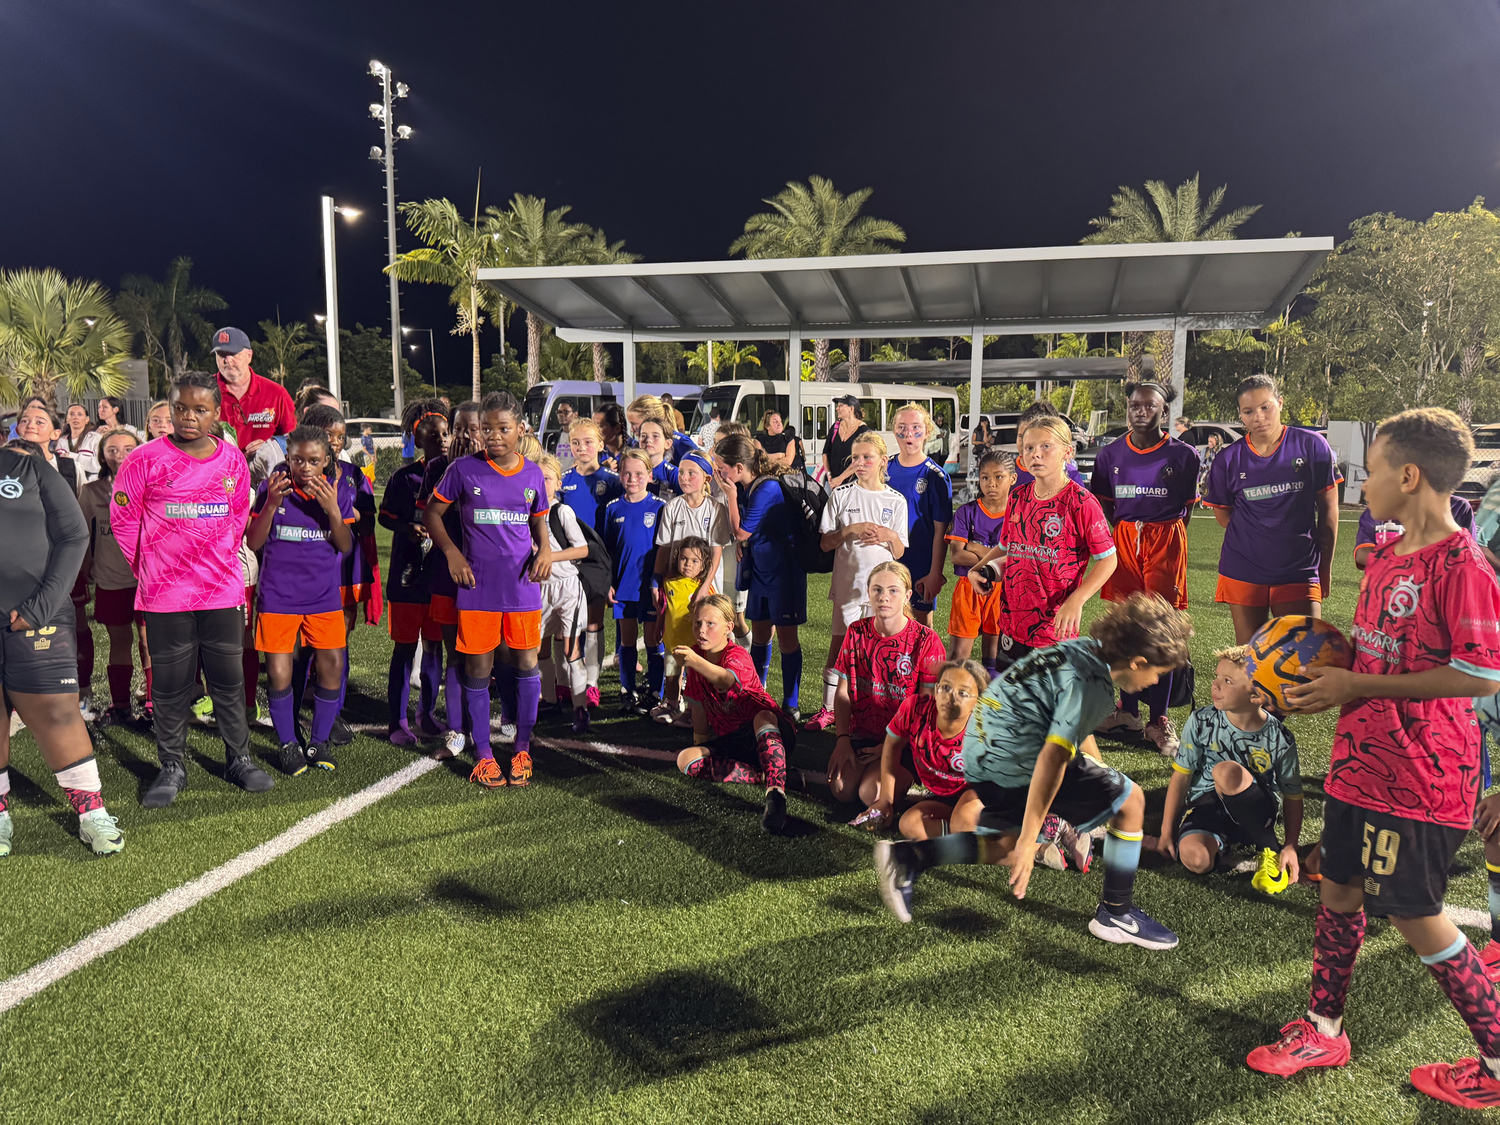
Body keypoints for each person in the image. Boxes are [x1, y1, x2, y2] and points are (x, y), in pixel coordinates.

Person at [1245, 408, 1500, 1112]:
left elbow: (1481, 675)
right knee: (1339, 889)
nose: (1364, 482)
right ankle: (1324, 1028)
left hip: (1420, 777)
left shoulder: (1464, 565)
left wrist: (1358, 685)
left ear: (1409, 475)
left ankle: (1498, 1052)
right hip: (1360, 761)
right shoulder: (1387, 555)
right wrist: (1300, 669)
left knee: (1415, 912)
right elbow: (1376, 652)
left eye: (1373, 469)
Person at [875, 593, 1192, 950]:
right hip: (1016, 761)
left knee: (1004, 847)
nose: (1154, 683)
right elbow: (1052, 760)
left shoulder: (1084, 647)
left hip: (980, 751)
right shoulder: (1095, 687)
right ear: (1136, 662)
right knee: (1131, 800)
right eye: (1158, 674)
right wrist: (1030, 838)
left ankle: (910, 857)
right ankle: (1116, 914)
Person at [111, 372, 275, 807]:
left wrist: (214, 558)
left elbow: (239, 518)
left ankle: (238, 758)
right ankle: (171, 765)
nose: (188, 417)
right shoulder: (143, 460)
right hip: (165, 596)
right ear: (169, 408)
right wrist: (151, 568)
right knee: (171, 686)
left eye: (200, 409)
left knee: (228, 679)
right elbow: (124, 522)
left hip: (221, 591)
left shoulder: (233, 461)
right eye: (180, 408)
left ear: (216, 413)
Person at [0, 439, 123, 856]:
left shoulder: (31, 470)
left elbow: (73, 536)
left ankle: (92, 815)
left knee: (57, 711)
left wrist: (40, 607)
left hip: (37, 616)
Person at [424, 394, 552, 788]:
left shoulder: (532, 475)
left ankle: (523, 747)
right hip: (476, 587)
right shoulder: (463, 469)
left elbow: (539, 522)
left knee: (527, 664)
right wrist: (452, 554)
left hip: (521, 587)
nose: (493, 436)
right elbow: (431, 512)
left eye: (503, 428)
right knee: (478, 668)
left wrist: (545, 549)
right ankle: (483, 755)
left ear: (520, 430)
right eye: (486, 429)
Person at [1089, 380, 1200, 755]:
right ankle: (1128, 710)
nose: (1141, 411)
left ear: (1163, 411)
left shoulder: (1184, 456)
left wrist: (1166, 541)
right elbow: (1104, 506)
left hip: (1165, 540)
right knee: (1125, 625)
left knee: (1161, 629)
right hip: (1123, 540)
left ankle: (1160, 719)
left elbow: (1187, 508)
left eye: (1149, 406)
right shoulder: (1109, 455)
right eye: (1135, 405)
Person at [246, 426, 355, 775]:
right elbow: (253, 540)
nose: (305, 467)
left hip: (322, 598)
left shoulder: (336, 492)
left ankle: (319, 740)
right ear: (287, 459)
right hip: (278, 597)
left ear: (326, 461)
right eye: (297, 460)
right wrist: (273, 503)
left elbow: (345, 545)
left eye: (313, 460)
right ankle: (288, 743)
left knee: (332, 665)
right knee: (279, 672)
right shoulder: (272, 489)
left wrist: (332, 510)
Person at [968, 417, 1118, 669]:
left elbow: (1108, 559)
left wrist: (1077, 600)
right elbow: (1006, 546)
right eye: (1028, 448)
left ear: (1067, 452)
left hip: (1053, 626)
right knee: (1012, 699)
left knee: (1046, 703)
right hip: (1011, 622)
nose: (1035, 454)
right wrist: (977, 568)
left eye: (1045, 446)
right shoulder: (1017, 496)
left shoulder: (1081, 502)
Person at [1203, 374, 1341, 644]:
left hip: (1299, 570)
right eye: (1249, 411)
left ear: (1279, 403)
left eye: (1266, 407)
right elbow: (1224, 517)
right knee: (1248, 656)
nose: (1259, 417)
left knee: (1304, 657)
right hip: (1243, 569)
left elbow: (1329, 511)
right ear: (1240, 416)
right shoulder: (1228, 459)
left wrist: (1324, 568)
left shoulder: (1311, 445)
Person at [1156, 645, 1302, 893]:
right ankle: (1222, 840)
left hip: (1255, 810)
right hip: (1208, 804)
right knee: (1196, 860)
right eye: (1216, 677)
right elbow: (1181, 776)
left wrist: (1291, 845)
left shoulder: (1279, 737)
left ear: (1256, 695)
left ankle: (1269, 846)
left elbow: (1293, 795)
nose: (1215, 685)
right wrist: (1165, 831)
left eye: (1227, 681)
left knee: (1226, 772)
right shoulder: (1201, 720)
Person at [807, 432, 908, 731]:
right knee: (840, 645)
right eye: (856, 458)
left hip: (883, 592)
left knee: (880, 648)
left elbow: (900, 551)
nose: (861, 463)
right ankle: (828, 709)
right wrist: (849, 531)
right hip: (849, 585)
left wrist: (888, 536)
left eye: (867, 457)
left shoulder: (896, 500)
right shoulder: (842, 495)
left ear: (882, 461)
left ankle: (873, 707)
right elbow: (825, 543)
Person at [675, 593, 797, 833]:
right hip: (733, 741)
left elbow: (727, 679)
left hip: (768, 730)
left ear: (728, 628)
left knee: (762, 717)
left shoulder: (736, 654)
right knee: (685, 760)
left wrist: (694, 662)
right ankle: (770, 775)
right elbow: (699, 708)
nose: (701, 630)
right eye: (698, 623)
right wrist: (702, 744)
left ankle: (776, 795)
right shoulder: (695, 656)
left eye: (710, 624)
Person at [825, 561, 945, 803]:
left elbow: (927, 711)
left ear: (907, 596)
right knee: (841, 788)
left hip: (906, 743)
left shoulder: (926, 640)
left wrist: (891, 748)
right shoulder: (856, 632)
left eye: (893, 590)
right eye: (877, 589)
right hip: (864, 736)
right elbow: (843, 693)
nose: (884, 597)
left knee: (871, 793)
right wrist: (842, 739)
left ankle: (902, 775)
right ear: (868, 593)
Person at [715, 433, 806, 718]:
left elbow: (741, 531)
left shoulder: (766, 489)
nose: (719, 473)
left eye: (722, 468)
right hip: (761, 571)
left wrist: (730, 496)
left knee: (787, 639)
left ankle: (791, 704)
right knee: (761, 635)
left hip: (784, 574)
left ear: (739, 468)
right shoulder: (750, 486)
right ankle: (756, 694)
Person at [855, 659, 988, 842]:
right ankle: (961, 834)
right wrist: (885, 799)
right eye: (946, 688)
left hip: (976, 794)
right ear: (935, 690)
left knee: (964, 821)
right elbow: (892, 745)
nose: (951, 698)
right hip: (941, 796)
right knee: (908, 824)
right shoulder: (916, 708)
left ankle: (1018, 839)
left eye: (963, 693)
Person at [380, 401, 449, 746]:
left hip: (438, 578)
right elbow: (384, 516)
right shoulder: (403, 477)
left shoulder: (456, 473)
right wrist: (407, 527)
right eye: (433, 435)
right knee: (405, 650)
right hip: (407, 578)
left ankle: (426, 713)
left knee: (435, 648)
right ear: (417, 440)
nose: (441, 439)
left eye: (445, 433)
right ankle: (397, 721)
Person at [421, 400, 482, 758]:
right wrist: (455, 468)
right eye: (458, 429)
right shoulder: (437, 468)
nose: (463, 436)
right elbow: (433, 515)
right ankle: (457, 732)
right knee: (455, 656)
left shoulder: (494, 469)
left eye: (472, 429)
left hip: (486, 577)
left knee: (489, 657)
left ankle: (492, 726)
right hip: (446, 576)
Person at [79, 428, 150, 725]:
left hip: (149, 580)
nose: (120, 455)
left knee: (149, 643)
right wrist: (84, 571)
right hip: (111, 579)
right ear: (102, 455)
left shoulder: (152, 487)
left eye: (127, 448)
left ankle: (152, 704)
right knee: (119, 642)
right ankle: (120, 704)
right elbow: (81, 536)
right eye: (112, 450)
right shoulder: (93, 492)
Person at [559, 418, 624, 711]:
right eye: (576, 442)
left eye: (588, 442)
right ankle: (564, 681)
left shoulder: (611, 481)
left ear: (601, 444)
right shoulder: (563, 480)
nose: (582, 448)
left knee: (595, 622)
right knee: (567, 623)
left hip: (597, 561)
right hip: (568, 561)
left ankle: (592, 685)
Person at [604, 448, 667, 715]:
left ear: (649, 476)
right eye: (627, 473)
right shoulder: (612, 509)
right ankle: (627, 691)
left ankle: (657, 691)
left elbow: (665, 550)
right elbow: (606, 551)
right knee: (627, 641)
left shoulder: (660, 507)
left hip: (650, 588)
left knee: (654, 641)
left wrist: (659, 582)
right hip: (624, 587)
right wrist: (608, 582)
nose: (632, 478)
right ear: (619, 475)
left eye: (639, 473)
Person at [534, 452, 592, 735]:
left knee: (571, 650)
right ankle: (549, 699)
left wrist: (549, 556)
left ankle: (580, 708)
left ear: (558, 483)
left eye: (546, 478)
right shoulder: (527, 512)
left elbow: (582, 549)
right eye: (536, 478)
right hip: (539, 589)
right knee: (539, 648)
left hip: (567, 588)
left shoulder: (561, 511)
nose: (541, 484)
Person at [945, 450, 1016, 669]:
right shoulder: (966, 512)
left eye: (998, 477)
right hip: (968, 588)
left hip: (1002, 588)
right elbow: (957, 555)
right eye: (985, 477)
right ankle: (951, 701)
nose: (991, 484)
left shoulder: (1018, 514)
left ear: (1012, 478)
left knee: (993, 657)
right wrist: (994, 554)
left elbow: (1013, 558)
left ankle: (988, 702)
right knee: (958, 656)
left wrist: (975, 546)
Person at [887, 404, 953, 631]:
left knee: (920, 630)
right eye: (901, 427)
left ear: (927, 432)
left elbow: (941, 531)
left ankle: (925, 668)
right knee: (886, 627)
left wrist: (935, 573)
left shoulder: (935, 476)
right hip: (886, 564)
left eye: (916, 427)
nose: (908, 433)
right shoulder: (883, 469)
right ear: (893, 430)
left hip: (920, 566)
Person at [210, 326, 296, 458]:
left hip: (265, 474)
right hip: (217, 471)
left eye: (233, 354)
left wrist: (270, 446)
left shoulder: (276, 394)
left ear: (249, 356)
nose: (227, 360)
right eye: (221, 355)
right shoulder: (204, 392)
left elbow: (294, 440)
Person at [653, 536, 712, 723]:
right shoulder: (669, 582)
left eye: (695, 561)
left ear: (703, 566)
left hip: (695, 647)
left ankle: (692, 713)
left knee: (694, 680)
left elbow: (712, 616)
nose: (688, 564)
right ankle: (672, 705)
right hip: (672, 643)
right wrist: (657, 628)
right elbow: (664, 609)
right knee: (671, 676)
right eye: (684, 559)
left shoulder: (703, 589)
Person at [1352, 491, 1474, 569]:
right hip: (1389, 589)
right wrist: (1408, 564)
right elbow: (1362, 554)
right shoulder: (1379, 508)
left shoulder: (1458, 508)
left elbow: (1471, 556)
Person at [1011, 402, 1089, 490]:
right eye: (1022, 437)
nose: (1035, 452)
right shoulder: (1006, 472)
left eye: (1045, 445)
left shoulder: (1071, 475)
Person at [15, 399, 80, 495]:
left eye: (39, 422)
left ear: (55, 434)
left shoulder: (70, 467)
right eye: (24, 421)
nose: (30, 426)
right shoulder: (8, 463)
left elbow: (83, 503)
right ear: (17, 430)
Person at [821, 394, 869, 488]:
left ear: (851, 409)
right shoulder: (835, 427)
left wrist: (840, 478)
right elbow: (825, 453)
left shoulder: (863, 431)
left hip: (852, 484)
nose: (837, 409)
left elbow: (860, 460)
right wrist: (829, 475)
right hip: (831, 484)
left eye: (841, 406)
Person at [637, 416, 680, 498]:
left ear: (667, 443)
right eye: (643, 436)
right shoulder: (630, 470)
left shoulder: (674, 475)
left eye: (655, 436)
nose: (648, 440)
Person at [57, 404, 100, 482]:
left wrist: (71, 456)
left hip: (90, 486)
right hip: (67, 485)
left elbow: (98, 465)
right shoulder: (61, 441)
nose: (75, 417)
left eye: (79, 414)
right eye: (72, 414)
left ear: (87, 420)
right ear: (67, 419)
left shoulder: (95, 438)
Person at [595, 403, 628, 471]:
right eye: (592, 426)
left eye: (600, 426)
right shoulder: (592, 451)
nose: (594, 430)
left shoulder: (637, 449)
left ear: (617, 428)